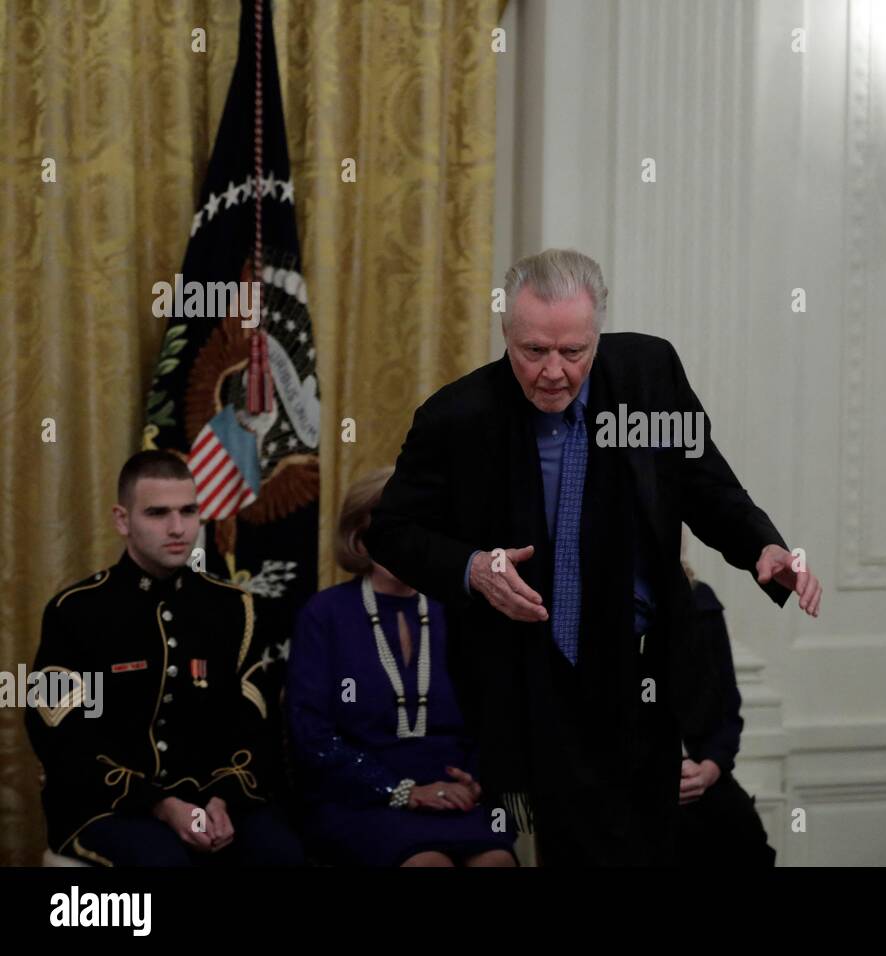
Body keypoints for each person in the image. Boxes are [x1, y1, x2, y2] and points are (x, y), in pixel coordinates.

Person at [365, 248, 822, 866]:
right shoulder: (459, 418)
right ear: (506, 333)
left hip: (642, 671)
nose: (553, 371)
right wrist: (472, 566)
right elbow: (390, 532)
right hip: (536, 676)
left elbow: (703, 484)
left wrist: (762, 546)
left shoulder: (648, 375)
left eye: (573, 352)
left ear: (596, 335)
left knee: (652, 849)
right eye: (533, 352)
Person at [25, 451, 303, 866]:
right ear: (123, 520)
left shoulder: (235, 609)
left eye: (188, 511)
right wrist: (158, 803)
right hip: (109, 805)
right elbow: (60, 737)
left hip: (216, 800)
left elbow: (255, 727)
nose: (178, 529)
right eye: (157, 513)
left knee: (282, 854)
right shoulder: (75, 611)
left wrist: (223, 799)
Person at [287, 467, 516, 867]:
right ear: (360, 535)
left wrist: (476, 780)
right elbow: (311, 736)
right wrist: (400, 790)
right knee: (427, 863)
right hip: (361, 798)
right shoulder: (325, 614)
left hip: (454, 796)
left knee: (496, 859)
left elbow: (494, 717)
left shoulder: (461, 612)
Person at [676, 559, 777, 866]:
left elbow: (728, 710)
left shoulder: (701, 603)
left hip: (702, 773)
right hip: (631, 781)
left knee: (745, 835)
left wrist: (709, 768)